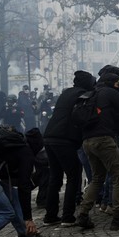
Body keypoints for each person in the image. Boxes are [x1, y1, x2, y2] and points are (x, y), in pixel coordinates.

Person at [76, 73, 119, 231]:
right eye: (118, 83)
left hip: (87, 141)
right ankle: (118, 218)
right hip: (103, 139)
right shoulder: (109, 93)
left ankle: (83, 214)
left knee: (97, 178)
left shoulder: (92, 94)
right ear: (112, 83)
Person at [43, 70, 96, 227]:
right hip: (64, 139)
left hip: (49, 136)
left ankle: (50, 216)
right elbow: (81, 116)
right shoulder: (83, 95)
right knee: (74, 175)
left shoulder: (66, 93)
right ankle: (67, 216)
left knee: (55, 176)